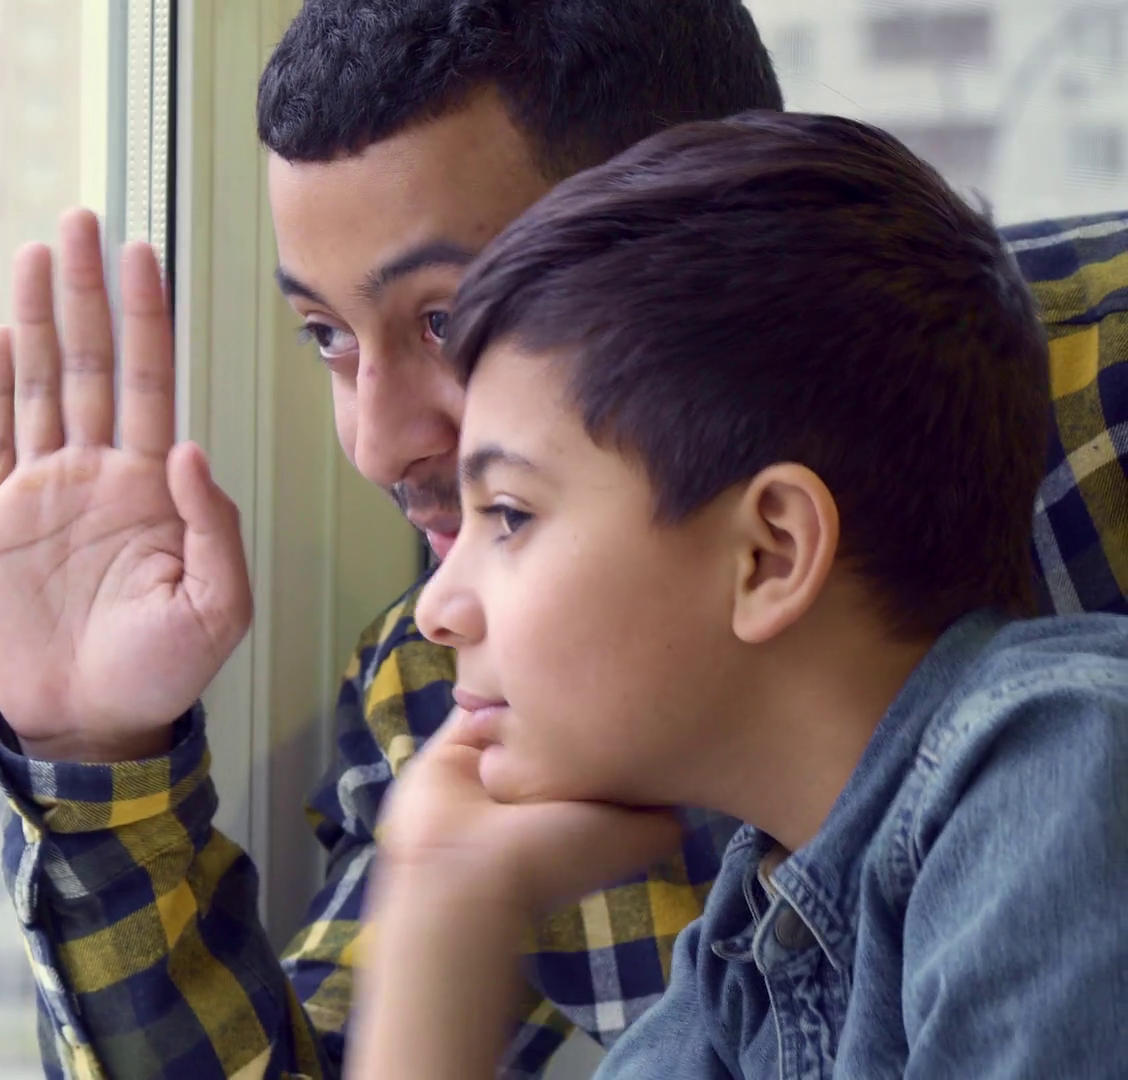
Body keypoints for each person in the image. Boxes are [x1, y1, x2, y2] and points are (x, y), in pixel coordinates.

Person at [0, 2, 1128, 1077]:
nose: (373, 442)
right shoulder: (481, 722)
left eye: (448, 317)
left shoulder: (1057, 761)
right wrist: (94, 744)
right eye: (325, 333)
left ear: (689, 212)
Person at [351, 108, 1128, 1079]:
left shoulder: (1061, 773)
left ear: (768, 554)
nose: (437, 610)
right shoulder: (755, 940)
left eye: (509, 516)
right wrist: (443, 897)